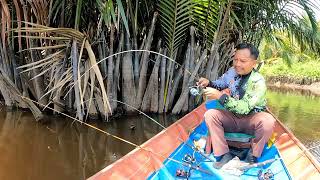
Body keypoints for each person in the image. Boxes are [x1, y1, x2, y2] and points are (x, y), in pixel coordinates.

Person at [197, 43, 275, 169]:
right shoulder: (231, 72)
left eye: (243, 61)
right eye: (235, 60)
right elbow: (219, 84)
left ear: (254, 63)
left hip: (251, 119)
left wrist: (220, 97)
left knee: (268, 121)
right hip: (232, 117)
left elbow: (244, 108)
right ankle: (223, 154)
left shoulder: (258, 81)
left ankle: (253, 155)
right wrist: (208, 83)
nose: (237, 64)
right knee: (210, 115)